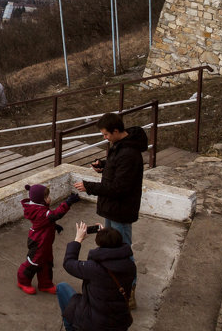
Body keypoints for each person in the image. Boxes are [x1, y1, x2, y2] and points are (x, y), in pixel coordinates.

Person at [74, 112, 148, 308]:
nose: (104, 138)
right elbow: (118, 168)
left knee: (124, 249)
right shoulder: (122, 146)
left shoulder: (129, 153)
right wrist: (104, 166)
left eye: (106, 134)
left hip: (121, 210)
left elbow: (119, 188)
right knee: (113, 246)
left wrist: (89, 187)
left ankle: (129, 290)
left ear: (116, 131)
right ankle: (114, 281)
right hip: (113, 208)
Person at [56, 222, 136, 331]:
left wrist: (78, 239)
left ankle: (71, 328)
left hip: (96, 324)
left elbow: (68, 263)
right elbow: (112, 251)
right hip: (119, 323)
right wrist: (108, 235)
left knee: (62, 287)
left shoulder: (94, 268)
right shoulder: (130, 265)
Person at [17, 183, 80, 294]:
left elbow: (46, 221)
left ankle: (45, 284)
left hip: (45, 242)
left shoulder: (39, 209)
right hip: (38, 242)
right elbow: (55, 214)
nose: (49, 198)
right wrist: (68, 203)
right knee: (33, 262)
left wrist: (54, 226)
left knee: (46, 262)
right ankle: (23, 281)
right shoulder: (40, 212)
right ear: (41, 201)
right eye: (47, 197)